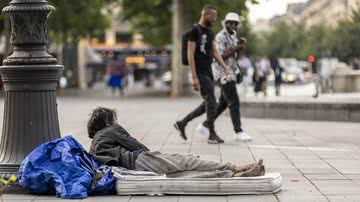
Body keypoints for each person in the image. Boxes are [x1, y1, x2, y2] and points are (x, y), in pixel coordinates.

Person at [88, 107, 265, 178]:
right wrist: (154, 154)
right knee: (187, 161)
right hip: (138, 160)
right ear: (109, 121)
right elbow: (138, 147)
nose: (117, 121)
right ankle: (236, 167)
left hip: (129, 168)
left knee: (185, 172)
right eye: (115, 119)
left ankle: (234, 174)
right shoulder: (112, 130)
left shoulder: (96, 140)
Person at [174, 5, 231, 144]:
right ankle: (211, 133)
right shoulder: (195, 31)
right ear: (206, 15)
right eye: (213, 17)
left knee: (208, 102)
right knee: (211, 101)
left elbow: (214, 51)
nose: (215, 19)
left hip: (208, 71)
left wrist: (224, 66)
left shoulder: (210, 32)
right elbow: (190, 54)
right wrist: (194, 77)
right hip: (199, 71)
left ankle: (182, 122)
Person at [195, 12, 252, 141]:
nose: (232, 25)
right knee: (234, 102)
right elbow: (221, 56)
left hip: (231, 72)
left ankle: (205, 125)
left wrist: (240, 45)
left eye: (235, 23)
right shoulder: (220, 37)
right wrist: (237, 47)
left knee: (223, 103)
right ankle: (238, 131)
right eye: (230, 23)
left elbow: (236, 55)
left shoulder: (234, 36)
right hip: (223, 74)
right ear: (225, 23)